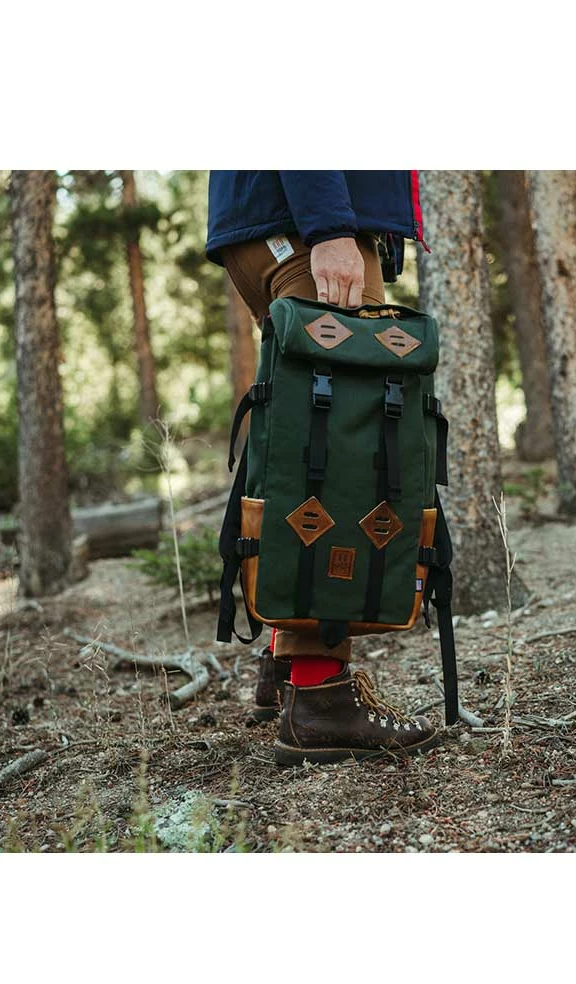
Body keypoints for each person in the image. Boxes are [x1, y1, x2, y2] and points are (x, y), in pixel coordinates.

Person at [206, 170, 439, 764]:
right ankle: (320, 699)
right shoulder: (323, 231)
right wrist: (331, 229)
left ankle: (287, 669)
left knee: (307, 443)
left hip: (275, 223)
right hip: (307, 223)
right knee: (343, 465)